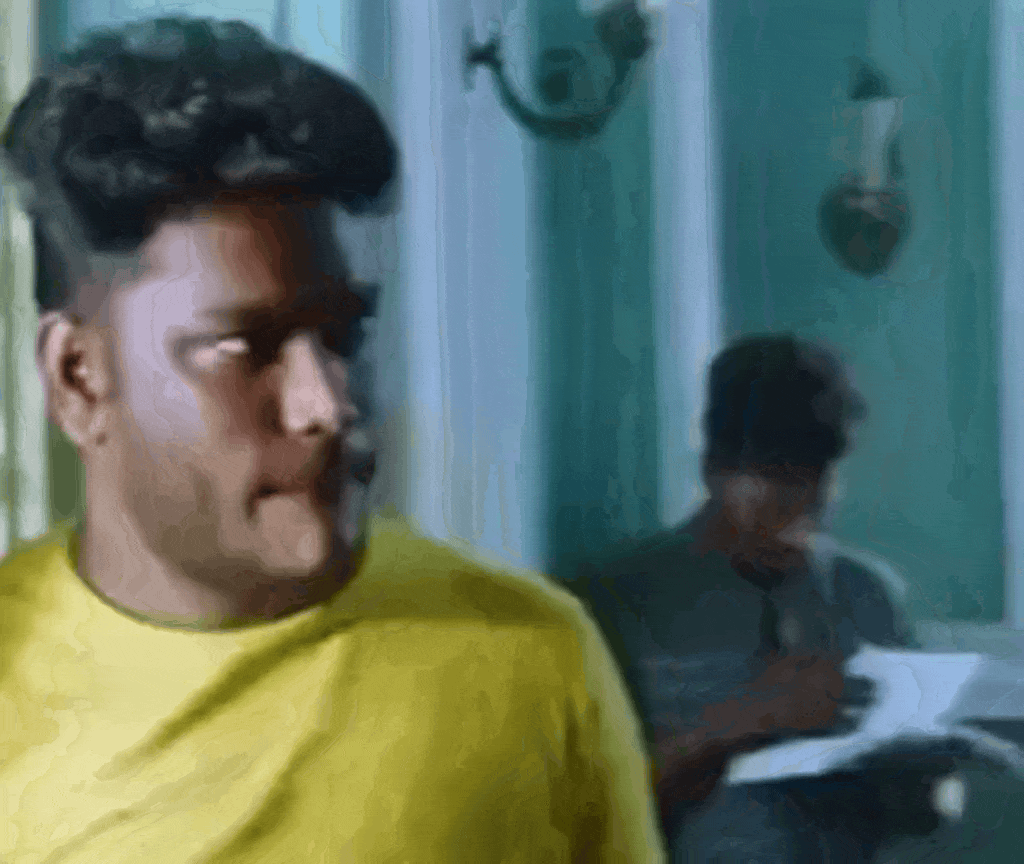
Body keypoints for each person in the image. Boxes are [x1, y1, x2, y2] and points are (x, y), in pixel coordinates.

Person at [0, 18, 664, 862]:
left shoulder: (534, 652)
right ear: (79, 378)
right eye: (243, 347)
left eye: (346, 336)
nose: (328, 404)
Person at [564, 333, 917, 862]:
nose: (804, 504)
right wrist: (741, 721)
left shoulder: (863, 595)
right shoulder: (616, 601)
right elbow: (582, 810)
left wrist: (914, 764)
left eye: (820, 474)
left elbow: (921, 811)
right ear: (714, 466)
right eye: (777, 478)